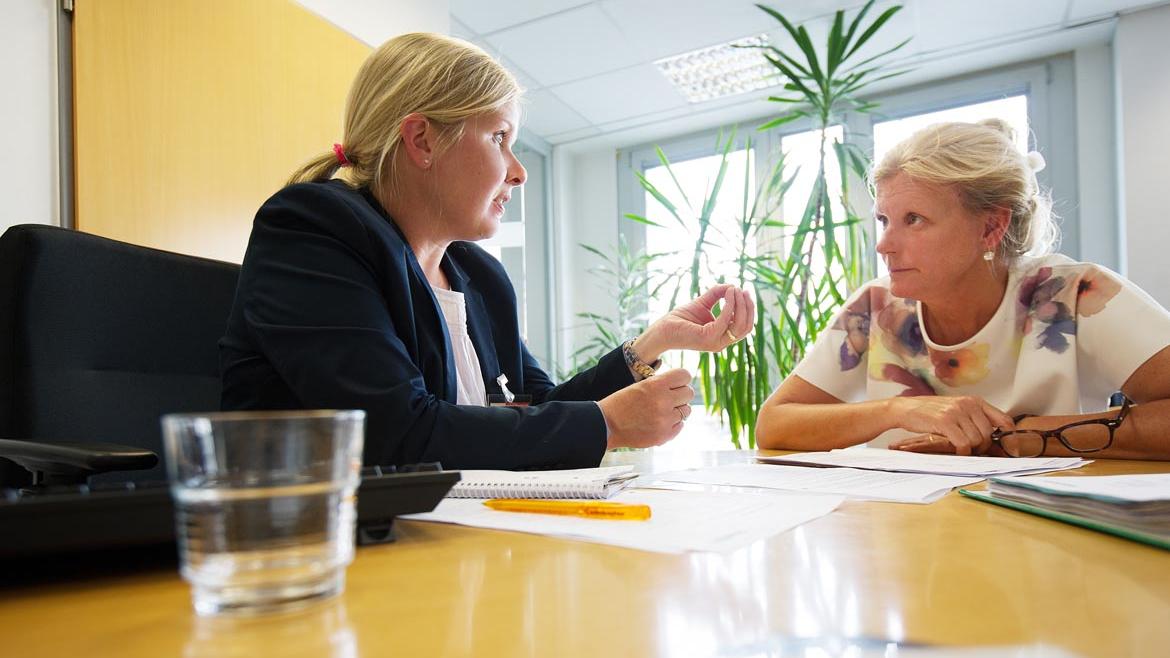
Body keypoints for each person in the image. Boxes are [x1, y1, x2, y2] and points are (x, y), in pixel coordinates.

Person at [220, 33, 754, 470]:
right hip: (331, 550)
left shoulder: (479, 275)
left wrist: (649, 344)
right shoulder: (315, 229)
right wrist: (608, 425)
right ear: (422, 140)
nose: (517, 171)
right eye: (500, 137)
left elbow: (538, 410)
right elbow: (393, 432)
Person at [756, 119, 1170, 459]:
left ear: (990, 227)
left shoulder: (1073, 293)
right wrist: (898, 410)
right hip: (900, 534)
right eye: (884, 220)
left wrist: (1018, 436)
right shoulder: (876, 306)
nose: (884, 244)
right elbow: (774, 425)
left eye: (914, 219)